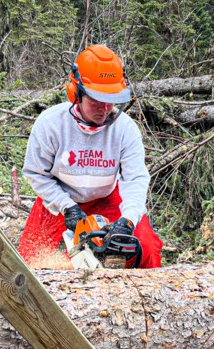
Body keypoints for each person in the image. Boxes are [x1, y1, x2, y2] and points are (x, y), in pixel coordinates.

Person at [17, 44, 163, 268]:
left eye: (110, 100)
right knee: (30, 261)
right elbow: (36, 174)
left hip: (107, 198)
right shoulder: (51, 124)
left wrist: (129, 219)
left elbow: (135, 178)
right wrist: (67, 206)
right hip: (59, 199)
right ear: (77, 92)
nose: (104, 108)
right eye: (96, 100)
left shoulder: (125, 128)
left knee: (147, 249)